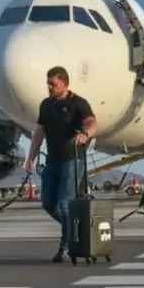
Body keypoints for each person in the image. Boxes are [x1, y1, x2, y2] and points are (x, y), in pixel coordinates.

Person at [24, 66, 97, 263]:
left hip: (72, 158)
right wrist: (31, 157)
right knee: (48, 203)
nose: (49, 87)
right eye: (48, 83)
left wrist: (86, 134)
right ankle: (76, 229)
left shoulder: (78, 103)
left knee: (65, 204)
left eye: (53, 84)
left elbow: (91, 121)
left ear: (64, 84)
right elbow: (39, 131)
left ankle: (66, 246)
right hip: (53, 159)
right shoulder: (46, 105)